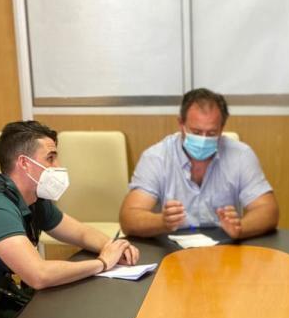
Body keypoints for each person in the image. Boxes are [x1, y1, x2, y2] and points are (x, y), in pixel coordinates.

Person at [0, 120, 138, 318]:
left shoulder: (32, 198)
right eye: (50, 158)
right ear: (24, 163)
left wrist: (113, 247)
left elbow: (80, 233)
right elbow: (39, 275)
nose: (58, 166)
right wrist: (102, 263)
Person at [119, 88, 279, 239]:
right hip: (169, 248)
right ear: (181, 124)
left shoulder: (240, 155)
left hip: (225, 248)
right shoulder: (156, 157)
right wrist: (162, 222)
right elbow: (129, 218)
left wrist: (240, 228)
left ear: (222, 128)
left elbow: (268, 210)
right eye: (196, 132)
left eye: (211, 133)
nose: (203, 139)